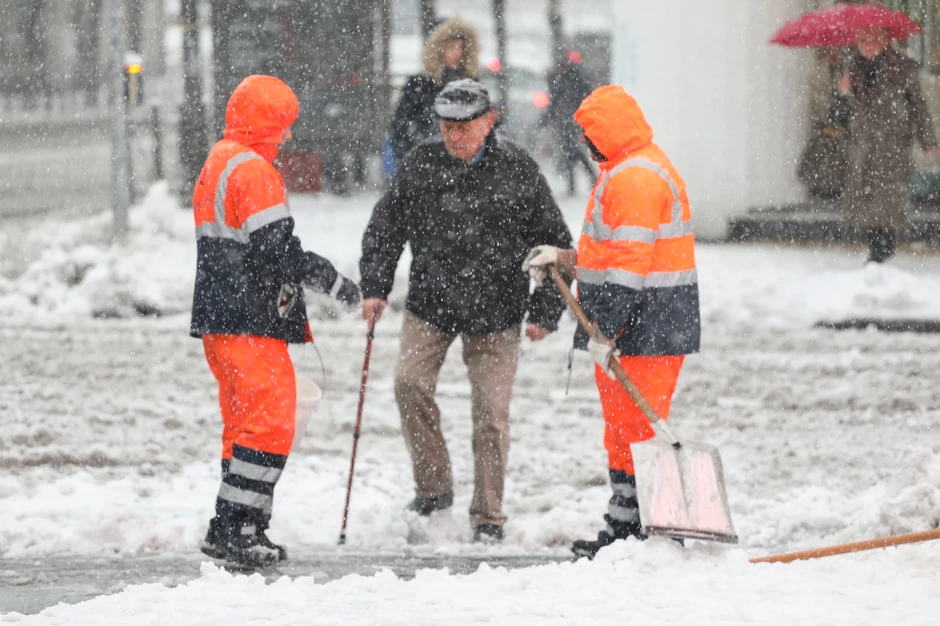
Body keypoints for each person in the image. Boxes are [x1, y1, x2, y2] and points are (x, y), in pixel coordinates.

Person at [359, 79, 573, 542]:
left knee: (491, 414)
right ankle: (433, 490)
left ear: (489, 121)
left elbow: (556, 244)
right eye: (447, 126)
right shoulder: (421, 164)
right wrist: (375, 286)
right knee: (409, 384)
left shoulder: (517, 168)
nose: (455, 135)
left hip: (497, 310)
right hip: (430, 303)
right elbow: (385, 226)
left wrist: (545, 310)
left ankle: (488, 516)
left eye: (465, 126)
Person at [522, 85, 700, 559]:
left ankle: (658, 530)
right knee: (622, 429)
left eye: (589, 133)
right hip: (635, 323)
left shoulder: (636, 177)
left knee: (640, 429)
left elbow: (630, 265)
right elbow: (610, 254)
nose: (585, 142)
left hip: (648, 325)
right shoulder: (624, 169)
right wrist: (563, 258)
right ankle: (625, 528)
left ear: (607, 132)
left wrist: (607, 330)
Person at [190, 74, 361, 567]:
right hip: (249, 318)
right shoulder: (253, 170)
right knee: (271, 421)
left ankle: (245, 525)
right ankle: (233, 528)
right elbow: (278, 252)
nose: (287, 136)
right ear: (264, 122)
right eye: (282, 125)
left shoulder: (219, 161)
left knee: (243, 425)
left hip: (221, 318)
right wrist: (333, 283)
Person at [839, 27, 937, 263]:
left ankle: (883, 249)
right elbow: (842, 112)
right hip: (864, 144)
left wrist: (928, 140)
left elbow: (918, 106)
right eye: (863, 40)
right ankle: (877, 248)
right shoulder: (852, 68)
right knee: (867, 198)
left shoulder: (903, 68)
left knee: (888, 198)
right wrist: (843, 92)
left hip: (892, 143)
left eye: (873, 40)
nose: (868, 45)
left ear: (885, 40)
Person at [388, 17, 479, 173]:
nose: (457, 53)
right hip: (427, 165)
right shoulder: (420, 84)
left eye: (460, 48)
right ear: (438, 50)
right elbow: (400, 124)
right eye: (451, 47)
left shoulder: (472, 84)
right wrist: (409, 159)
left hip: (463, 166)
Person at [545, 57, 597, 195]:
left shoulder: (564, 81)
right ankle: (587, 178)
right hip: (573, 121)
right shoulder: (577, 80)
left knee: (571, 151)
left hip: (567, 121)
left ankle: (576, 182)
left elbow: (554, 101)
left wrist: (548, 117)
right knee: (572, 151)